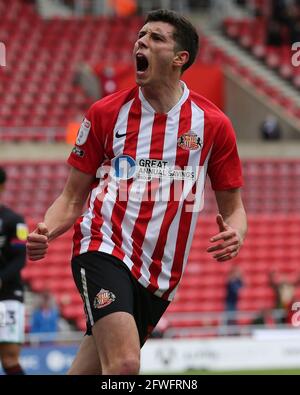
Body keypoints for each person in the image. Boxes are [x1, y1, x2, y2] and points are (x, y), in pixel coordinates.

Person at [27, 9, 247, 375]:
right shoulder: (106, 112)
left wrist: (236, 233)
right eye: (141, 35)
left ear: (181, 59)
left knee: (91, 371)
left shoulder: (212, 125)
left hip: (159, 274)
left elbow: (234, 207)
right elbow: (71, 198)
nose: (141, 41)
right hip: (103, 245)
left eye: (156, 37)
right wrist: (47, 229)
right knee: (126, 365)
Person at [0, 167, 28, 375]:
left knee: (9, 357)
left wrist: (1, 279)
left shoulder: (14, 220)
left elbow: (20, 258)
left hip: (7, 295)